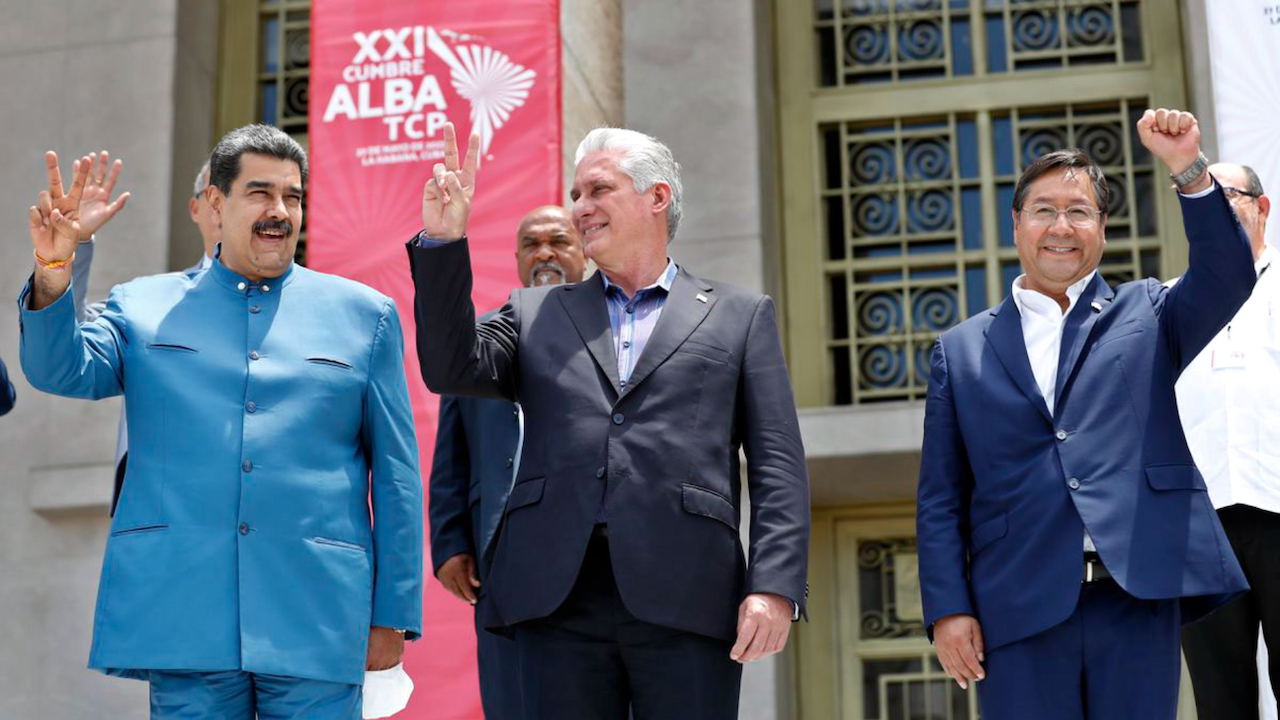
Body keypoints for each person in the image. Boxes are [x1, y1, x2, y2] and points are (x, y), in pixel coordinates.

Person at [17, 125, 423, 720]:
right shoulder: (142, 305)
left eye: (293, 196)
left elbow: (396, 477)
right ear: (215, 202)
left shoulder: (366, 316)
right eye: (260, 193)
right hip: (185, 607)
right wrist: (57, 264)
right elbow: (59, 370)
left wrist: (392, 614)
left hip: (318, 609)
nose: (279, 212)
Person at [408, 124, 810, 720]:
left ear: (657, 197)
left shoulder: (739, 316)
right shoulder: (533, 310)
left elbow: (778, 465)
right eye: (576, 194)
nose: (580, 207)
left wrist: (773, 586)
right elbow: (451, 368)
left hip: (688, 592)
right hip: (554, 595)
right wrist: (443, 244)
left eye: (598, 189)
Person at [916, 108, 1254, 720]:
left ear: (1101, 228)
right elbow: (941, 495)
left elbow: (1228, 274)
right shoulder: (959, 350)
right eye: (1044, 210)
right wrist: (947, 607)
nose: (1060, 227)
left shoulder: (1148, 311)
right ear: (1017, 224)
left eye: (1079, 211)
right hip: (1016, 606)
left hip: (1136, 593)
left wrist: (1188, 170)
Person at [429, 205, 587, 718]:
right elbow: (452, 453)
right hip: (504, 556)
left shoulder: (614, 332)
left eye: (558, 241)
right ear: (517, 258)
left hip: (593, 553)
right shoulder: (481, 342)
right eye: (532, 244)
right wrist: (451, 542)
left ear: (584, 249)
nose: (545, 253)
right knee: (513, 695)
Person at [1174, 163, 1280, 718]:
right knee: (1219, 700)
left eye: (1227, 196)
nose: (1213, 210)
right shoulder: (1169, 304)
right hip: (1199, 526)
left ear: (1262, 208)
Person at [72, 158, 216, 516]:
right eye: (216, 195)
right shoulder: (149, 303)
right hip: (161, 520)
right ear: (196, 208)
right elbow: (68, 339)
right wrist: (72, 244)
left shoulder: (309, 307)